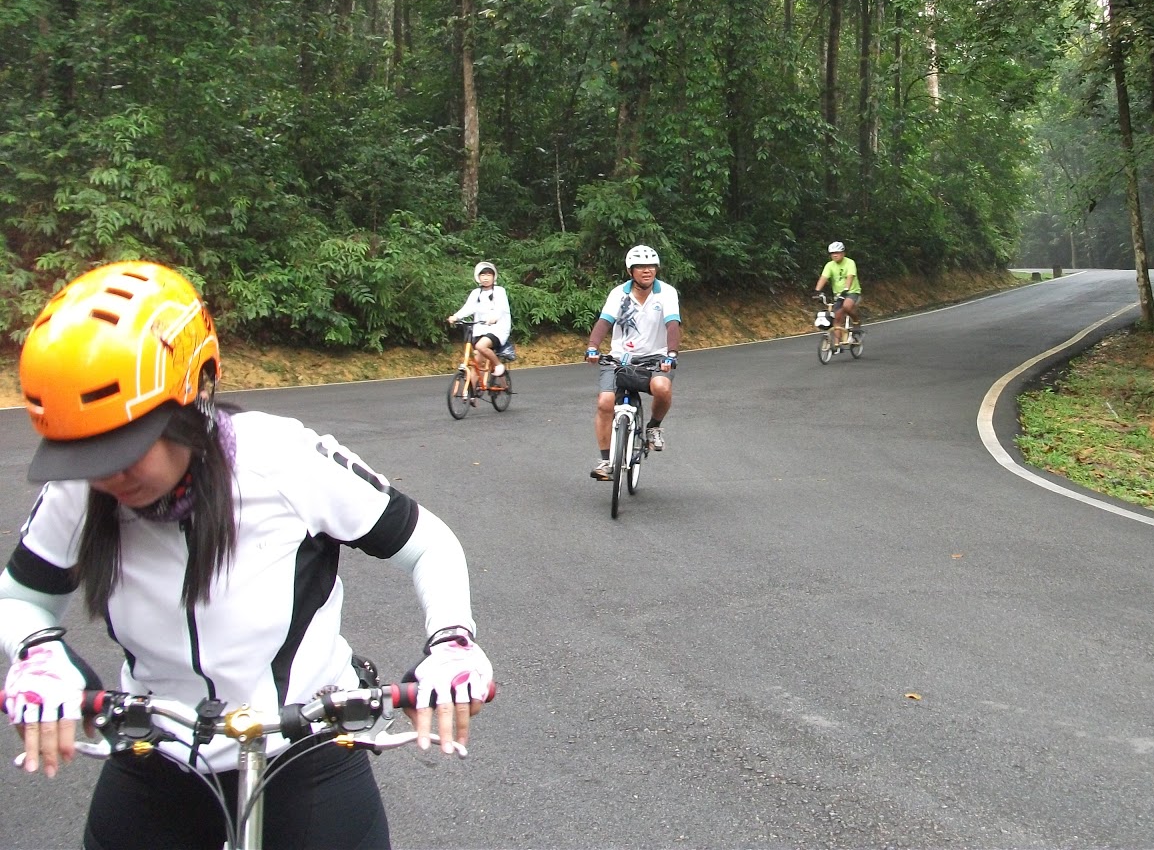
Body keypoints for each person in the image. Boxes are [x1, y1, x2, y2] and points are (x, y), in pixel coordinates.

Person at [0, 261, 493, 850]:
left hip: (305, 739)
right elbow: (21, 599)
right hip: (155, 744)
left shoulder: (280, 457)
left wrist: (453, 643)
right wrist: (37, 655)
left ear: (192, 397)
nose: (104, 474)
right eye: (82, 454)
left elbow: (428, 545)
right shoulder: (78, 490)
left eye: (124, 446)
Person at [583, 245, 680, 481]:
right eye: (641, 267)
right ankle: (606, 461)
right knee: (605, 402)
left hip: (655, 357)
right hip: (619, 358)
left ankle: (653, 426)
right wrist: (593, 347)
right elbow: (604, 322)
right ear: (630, 270)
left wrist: (672, 353)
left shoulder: (666, 293)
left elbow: (672, 324)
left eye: (651, 266)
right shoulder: (619, 294)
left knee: (662, 388)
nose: (647, 271)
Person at [446, 260, 512, 386]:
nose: (485, 278)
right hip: (480, 329)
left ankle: (498, 365)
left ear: (494, 277)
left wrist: (494, 318)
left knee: (481, 346)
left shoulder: (499, 291)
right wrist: (455, 316)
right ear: (478, 277)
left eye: (488, 275)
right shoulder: (476, 293)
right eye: (483, 275)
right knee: (476, 360)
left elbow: (501, 308)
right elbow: (468, 308)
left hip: (497, 329)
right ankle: (472, 393)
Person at [813, 240, 861, 347]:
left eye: (837, 252)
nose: (835, 255)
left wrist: (846, 290)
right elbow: (823, 278)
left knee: (847, 306)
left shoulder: (850, 262)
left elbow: (850, 277)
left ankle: (856, 321)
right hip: (838, 294)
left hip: (852, 292)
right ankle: (836, 344)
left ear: (843, 253)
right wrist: (817, 291)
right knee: (837, 318)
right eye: (832, 253)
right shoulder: (829, 265)